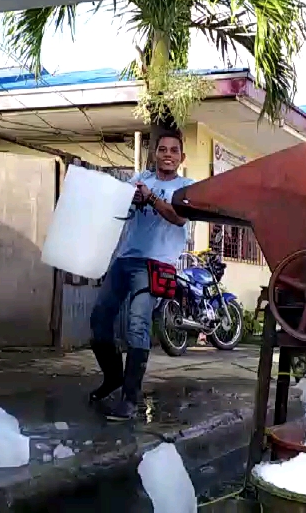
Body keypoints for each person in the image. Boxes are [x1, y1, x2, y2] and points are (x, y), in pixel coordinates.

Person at [88, 130, 195, 421]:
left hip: (156, 265)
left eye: (174, 150)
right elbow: (112, 210)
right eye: (163, 150)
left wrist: (150, 199)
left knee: (137, 325)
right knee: (99, 320)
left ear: (181, 157)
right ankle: (113, 377)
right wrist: (129, 199)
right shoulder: (138, 180)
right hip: (125, 259)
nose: (168, 155)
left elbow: (179, 216)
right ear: (155, 154)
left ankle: (130, 401)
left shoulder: (188, 187)